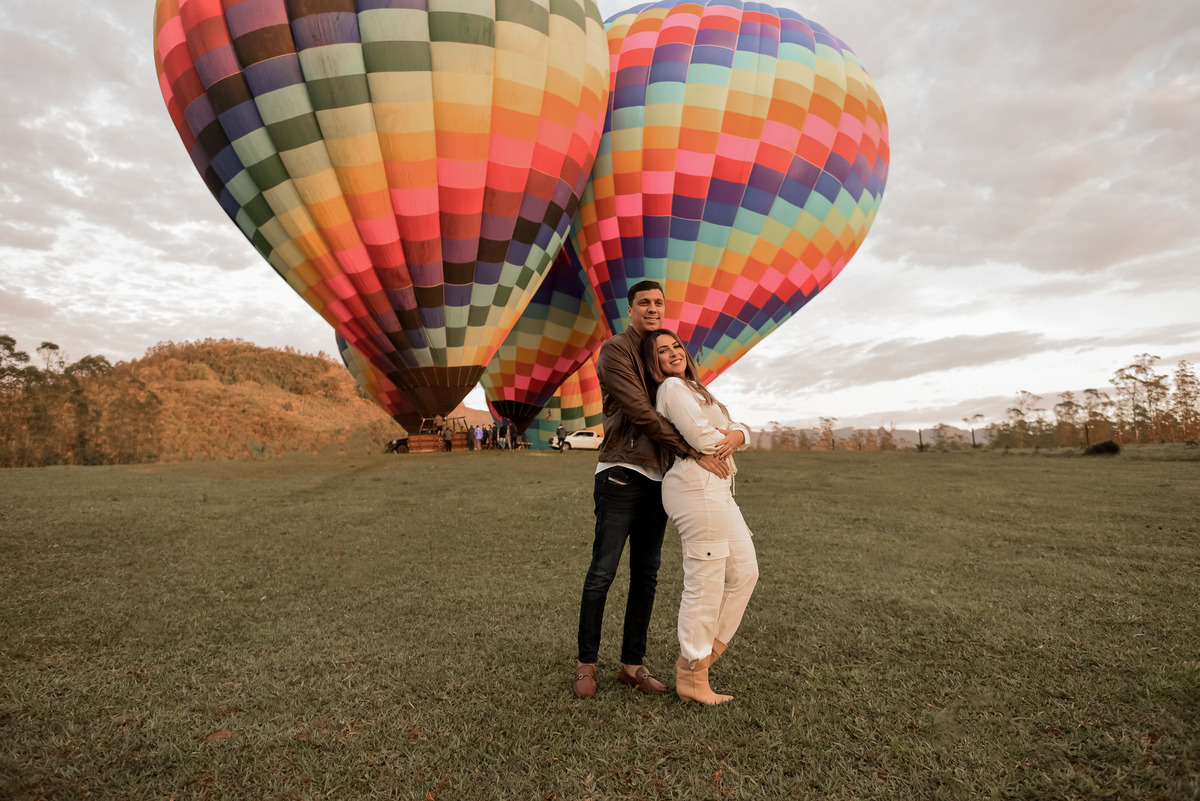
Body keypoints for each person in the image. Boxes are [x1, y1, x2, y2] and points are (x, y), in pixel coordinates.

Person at [573, 280, 733, 699]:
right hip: (622, 470)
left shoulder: (662, 357)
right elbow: (641, 412)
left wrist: (729, 435)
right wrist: (691, 449)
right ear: (630, 309)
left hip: (661, 478)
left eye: (658, 303)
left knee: (647, 574)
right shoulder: (616, 350)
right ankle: (586, 663)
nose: (652, 308)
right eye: (643, 302)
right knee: (603, 571)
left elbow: (694, 412)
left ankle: (632, 665)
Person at [642, 329, 757, 705]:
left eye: (676, 346)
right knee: (705, 582)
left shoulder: (698, 389)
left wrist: (738, 435)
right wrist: (731, 436)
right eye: (662, 351)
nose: (673, 353)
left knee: (745, 572)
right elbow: (704, 439)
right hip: (695, 489)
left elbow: (737, 428)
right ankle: (692, 673)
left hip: (718, 490)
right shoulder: (671, 389)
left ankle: (701, 661)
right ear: (654, 362)